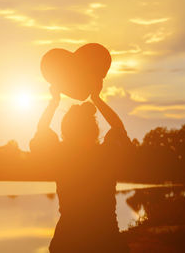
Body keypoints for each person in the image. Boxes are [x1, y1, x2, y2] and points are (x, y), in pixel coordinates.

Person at [30, 84, 131, 252]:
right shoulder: (106, 154)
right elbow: (119, 129)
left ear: (65, 131)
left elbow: (42, 131)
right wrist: (97, 100)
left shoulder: (61, 156)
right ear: (94, 130)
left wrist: (54, 103)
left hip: (68, 241)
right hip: (106, 240)